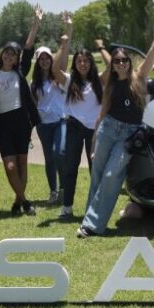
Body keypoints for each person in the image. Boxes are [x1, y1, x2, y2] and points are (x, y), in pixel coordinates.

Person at [77, 4, 154, 237]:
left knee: (112, 175)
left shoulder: (139, 78)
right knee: (98, 174)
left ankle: (92, 224)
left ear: (129, 62)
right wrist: (94, 141)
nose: (120, 64)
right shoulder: (111, 82)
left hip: (129, 133)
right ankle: (89, 220)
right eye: (116, 61)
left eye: (123, 61)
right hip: (108, 129)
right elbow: (104, 111)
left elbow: (153, 50)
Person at [0, 4, 41, 216]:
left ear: (16, 59)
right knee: (10, 166)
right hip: (2, 124)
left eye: (13, 55)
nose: (9, 56)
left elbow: (29, 48)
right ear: (2, 55)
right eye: (7, 53)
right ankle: (25, 202)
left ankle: (18, 202)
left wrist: (35, 23)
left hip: (21, 122)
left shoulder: (20, 72)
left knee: (23, 164)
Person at [52, 30, 106, 219]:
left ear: (91, 63)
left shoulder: (99, 80)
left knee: (95, 168)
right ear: (75, 64)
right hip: (74, 126)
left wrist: (101, 47)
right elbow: (54, 69)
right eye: (79, 61)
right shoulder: (69, 81)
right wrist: (63, 45)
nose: (82, 64)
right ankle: (67, 207)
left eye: (86, 61)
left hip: (94, 130)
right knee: (70, 168)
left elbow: (112, 66)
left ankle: (96, 208)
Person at [32, 12, 72, 205]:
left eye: (48, 58)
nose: (46, 61)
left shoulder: (59, 75)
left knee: (59, 153)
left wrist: (68, 29)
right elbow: (32, 105)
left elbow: (64, 52)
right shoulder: (34, 82)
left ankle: (64, 188)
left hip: (60, 121)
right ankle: (54, 191)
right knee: (49, 158)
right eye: (42, 59)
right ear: (38, 62)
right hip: (43, 124)